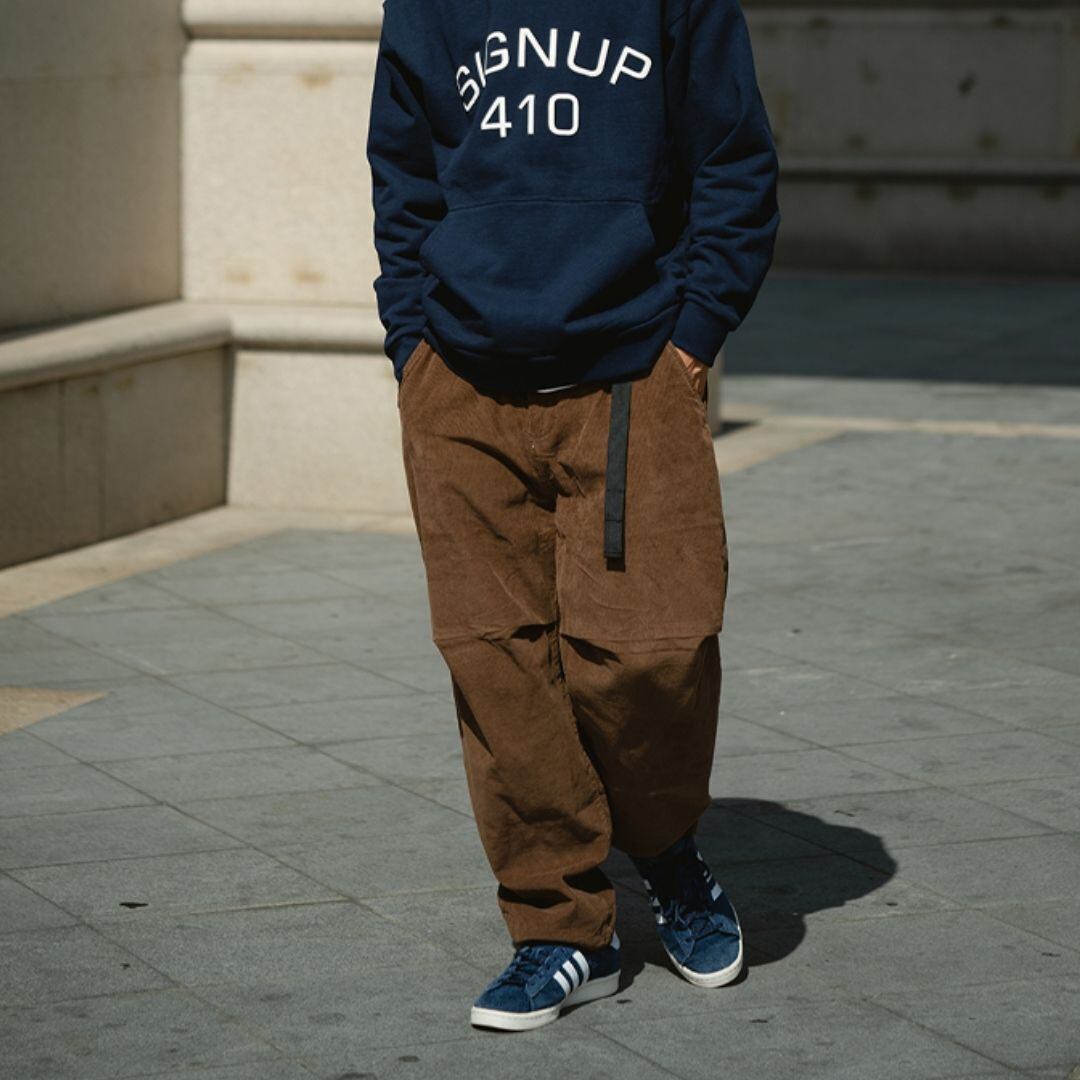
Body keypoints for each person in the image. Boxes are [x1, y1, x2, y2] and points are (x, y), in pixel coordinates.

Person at [367, 0, 779, 1032]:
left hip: (633, 366)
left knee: (654, 651)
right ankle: (559, 928)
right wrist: (411, 341)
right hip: (461, 376)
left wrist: (695, 334)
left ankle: (665, 846)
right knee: (497, 660)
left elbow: (733, 159)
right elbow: (403, 171)